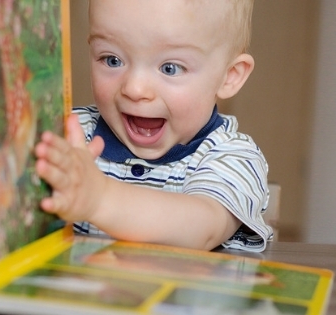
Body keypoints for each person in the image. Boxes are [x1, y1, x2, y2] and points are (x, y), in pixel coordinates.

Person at [35, 0, 273, 252]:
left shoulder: (233, 157)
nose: (135, 89)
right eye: (112, 60)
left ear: (229, 76)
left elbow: (203, 227)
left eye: (170, 68)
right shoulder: (68, 134)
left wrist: (100, 199)